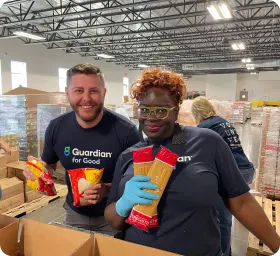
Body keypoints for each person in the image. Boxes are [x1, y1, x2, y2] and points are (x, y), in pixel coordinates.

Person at [104, 67, 280, 256]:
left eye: (162, 110)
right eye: (145, 109)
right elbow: (113, 219)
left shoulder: (206, 142)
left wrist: (278, 248)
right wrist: (123, 203)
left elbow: (242, 202)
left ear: (176, 110)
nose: (151, 117)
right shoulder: (129, 156)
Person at [23, 64, 140, 235]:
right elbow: (49, 164)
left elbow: (136, 179)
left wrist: (106, 189)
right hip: (74, 214)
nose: (87, 98)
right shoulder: (56, 127)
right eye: (78, 90)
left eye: (93, 91)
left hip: (115, 215)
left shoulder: (126, 132)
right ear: (67, 92)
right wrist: (40, 173)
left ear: (104, 93)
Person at [191, 96, 255, 256]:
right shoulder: (221, 122)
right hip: (245, 168)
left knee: (222, 217)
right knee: (225, 214)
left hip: (233, 171)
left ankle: (224, 253)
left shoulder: (206, 127)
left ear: (196, 113)